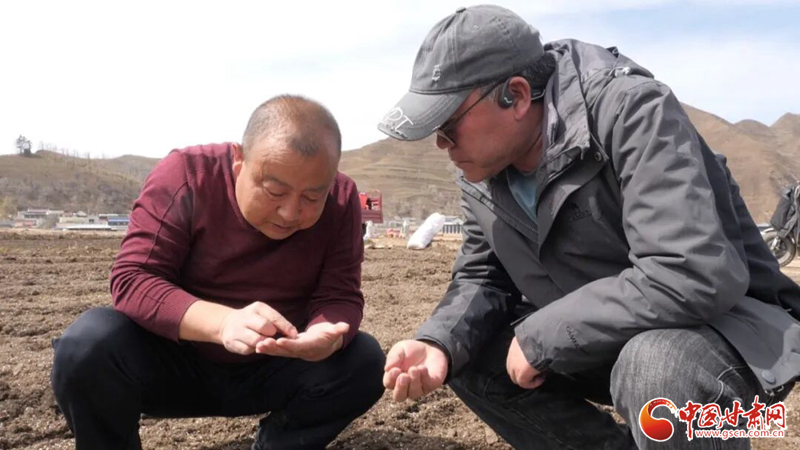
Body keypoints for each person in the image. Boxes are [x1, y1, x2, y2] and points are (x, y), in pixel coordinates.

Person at [378, 5, 800, 449]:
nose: (441, 143)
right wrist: (440, 342)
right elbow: (484, 278)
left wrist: (543, 335)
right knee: (470, 355)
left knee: (657, 368)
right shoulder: (484, 172)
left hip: (730, 335)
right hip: (610, 334)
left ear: (516, 96)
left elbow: (692, 271)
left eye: (448, 125)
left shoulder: (632, 112)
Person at [51, 95, 385, 449]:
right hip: (175, 360)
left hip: (274, 363)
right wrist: (223, 323)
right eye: (274, 191)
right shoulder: (187, 175)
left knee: (363, 361)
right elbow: (134, 278)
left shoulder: (342, 199)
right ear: (239, 161)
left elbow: (340, 294)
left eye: (311, 198)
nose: (290, 212)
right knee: (88, 347)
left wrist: (323, 333)